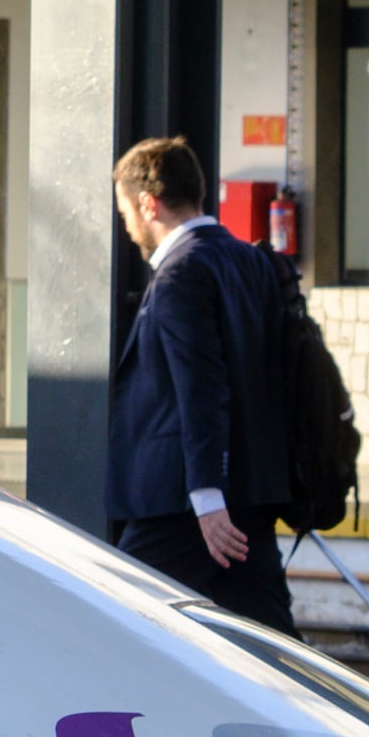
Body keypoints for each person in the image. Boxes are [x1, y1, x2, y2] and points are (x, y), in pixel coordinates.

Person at [100, 136, 297, 627]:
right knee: (265, 639)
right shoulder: (253, 262)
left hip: (184, 501)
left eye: (125, 211)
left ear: (148, 204)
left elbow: (200, 386)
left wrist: (207, 496)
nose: (126, 226)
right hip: (249, 490)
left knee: (125, 620)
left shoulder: (178, 272)